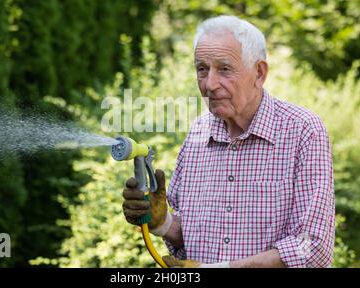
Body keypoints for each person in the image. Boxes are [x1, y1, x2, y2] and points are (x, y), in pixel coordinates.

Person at [122, 15, 335, 268]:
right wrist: (162, 223)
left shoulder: (302, 131)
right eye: (202, 69)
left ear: (259, 73)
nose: (210, 84)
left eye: (224, 69)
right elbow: (192, 236)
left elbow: (312, 248)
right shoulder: (198, 133)